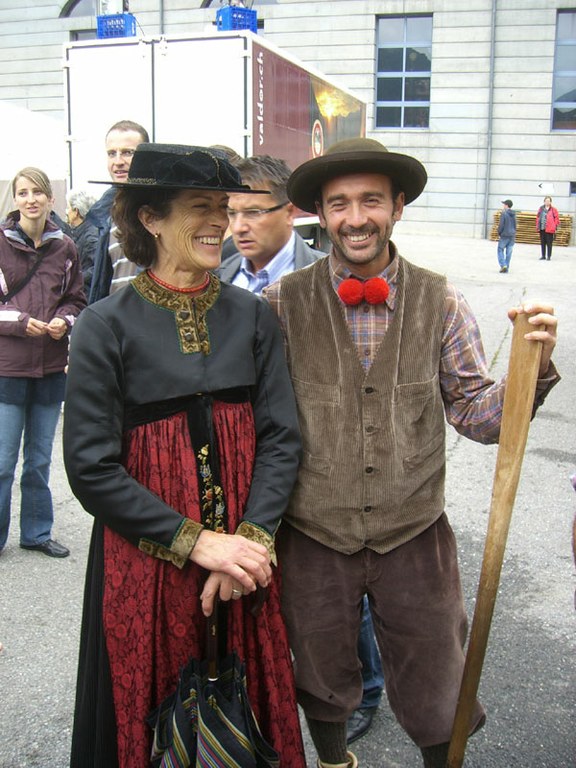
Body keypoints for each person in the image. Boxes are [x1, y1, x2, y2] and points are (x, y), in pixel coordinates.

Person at [264, 137, 560, 768]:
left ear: (397, 207)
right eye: (339, 203)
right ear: (321, 213)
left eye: (371, 200)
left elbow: (478, 415)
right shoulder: (281, 304)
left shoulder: (441, 300)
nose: (356, 217)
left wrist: (530, 369)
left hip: (414, 534)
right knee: (318, 671)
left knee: (438, 677)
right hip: (314, 533)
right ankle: (334, 761)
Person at [63, 143, 306, 768]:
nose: (221, 222)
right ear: (150, 218)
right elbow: (91, 468)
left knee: (244, 714)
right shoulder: (104, 326)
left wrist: (247, 543)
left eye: (223, 207)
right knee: (150, 714)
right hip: (149, 567)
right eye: (201, 206)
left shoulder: (252, 316)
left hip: (244, 563)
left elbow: (281, 435)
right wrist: (198, 543)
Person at [0, 167, 86, 558]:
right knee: (3, 463)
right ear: (15, 199)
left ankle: (36, 533)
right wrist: (20, 322)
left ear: (51, 199)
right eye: (23, 192)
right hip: (9, 368)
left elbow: (76, 299)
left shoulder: (64, 246)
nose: (31, 199)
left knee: (38, 461)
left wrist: (64, 320)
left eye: (38, 192)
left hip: (50, 368)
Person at [217, 154, 324, 293]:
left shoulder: (327, 278)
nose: (238, 228)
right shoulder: (218, 276)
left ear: (289, 212)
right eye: (231, 213)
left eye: (253, 213)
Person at [86, 119, 149, 302]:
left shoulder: (163, 209)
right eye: (112, 153)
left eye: (128, 153)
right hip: (115, 316)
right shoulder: (106, 215)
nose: (118, 161)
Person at [66, 189, 99, 294]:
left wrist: (76, 278)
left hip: (88, 294)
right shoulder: (82, 231)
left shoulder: (90, 236)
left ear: (76, 211)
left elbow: (98, 267)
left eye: (68, 207)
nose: (66, 212)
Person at [536, 195, 560, 261]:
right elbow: (538, 217)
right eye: (546, 201)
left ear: (550, 202)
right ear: (544, 201)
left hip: (550, 229)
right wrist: (537, 226)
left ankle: (549, 256)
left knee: (549, 243)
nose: (547, 202)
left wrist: (554, 226)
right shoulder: (541, 208)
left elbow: (557, 219)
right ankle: (543, 255)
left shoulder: (553, 209)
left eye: (548, 201)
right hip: (542, 228)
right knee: (542, 242)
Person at [497, 199, 516, 273]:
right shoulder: (514, 214)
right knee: (509, 252)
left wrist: (499, 232)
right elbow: (515, 225)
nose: (503, 206)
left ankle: (503, 265)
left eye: (504, 204)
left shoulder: (504, 214)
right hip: (512, 235)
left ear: (506, 205)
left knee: (500, 249)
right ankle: (506, 267)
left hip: (505, 235)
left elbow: (501, 225)